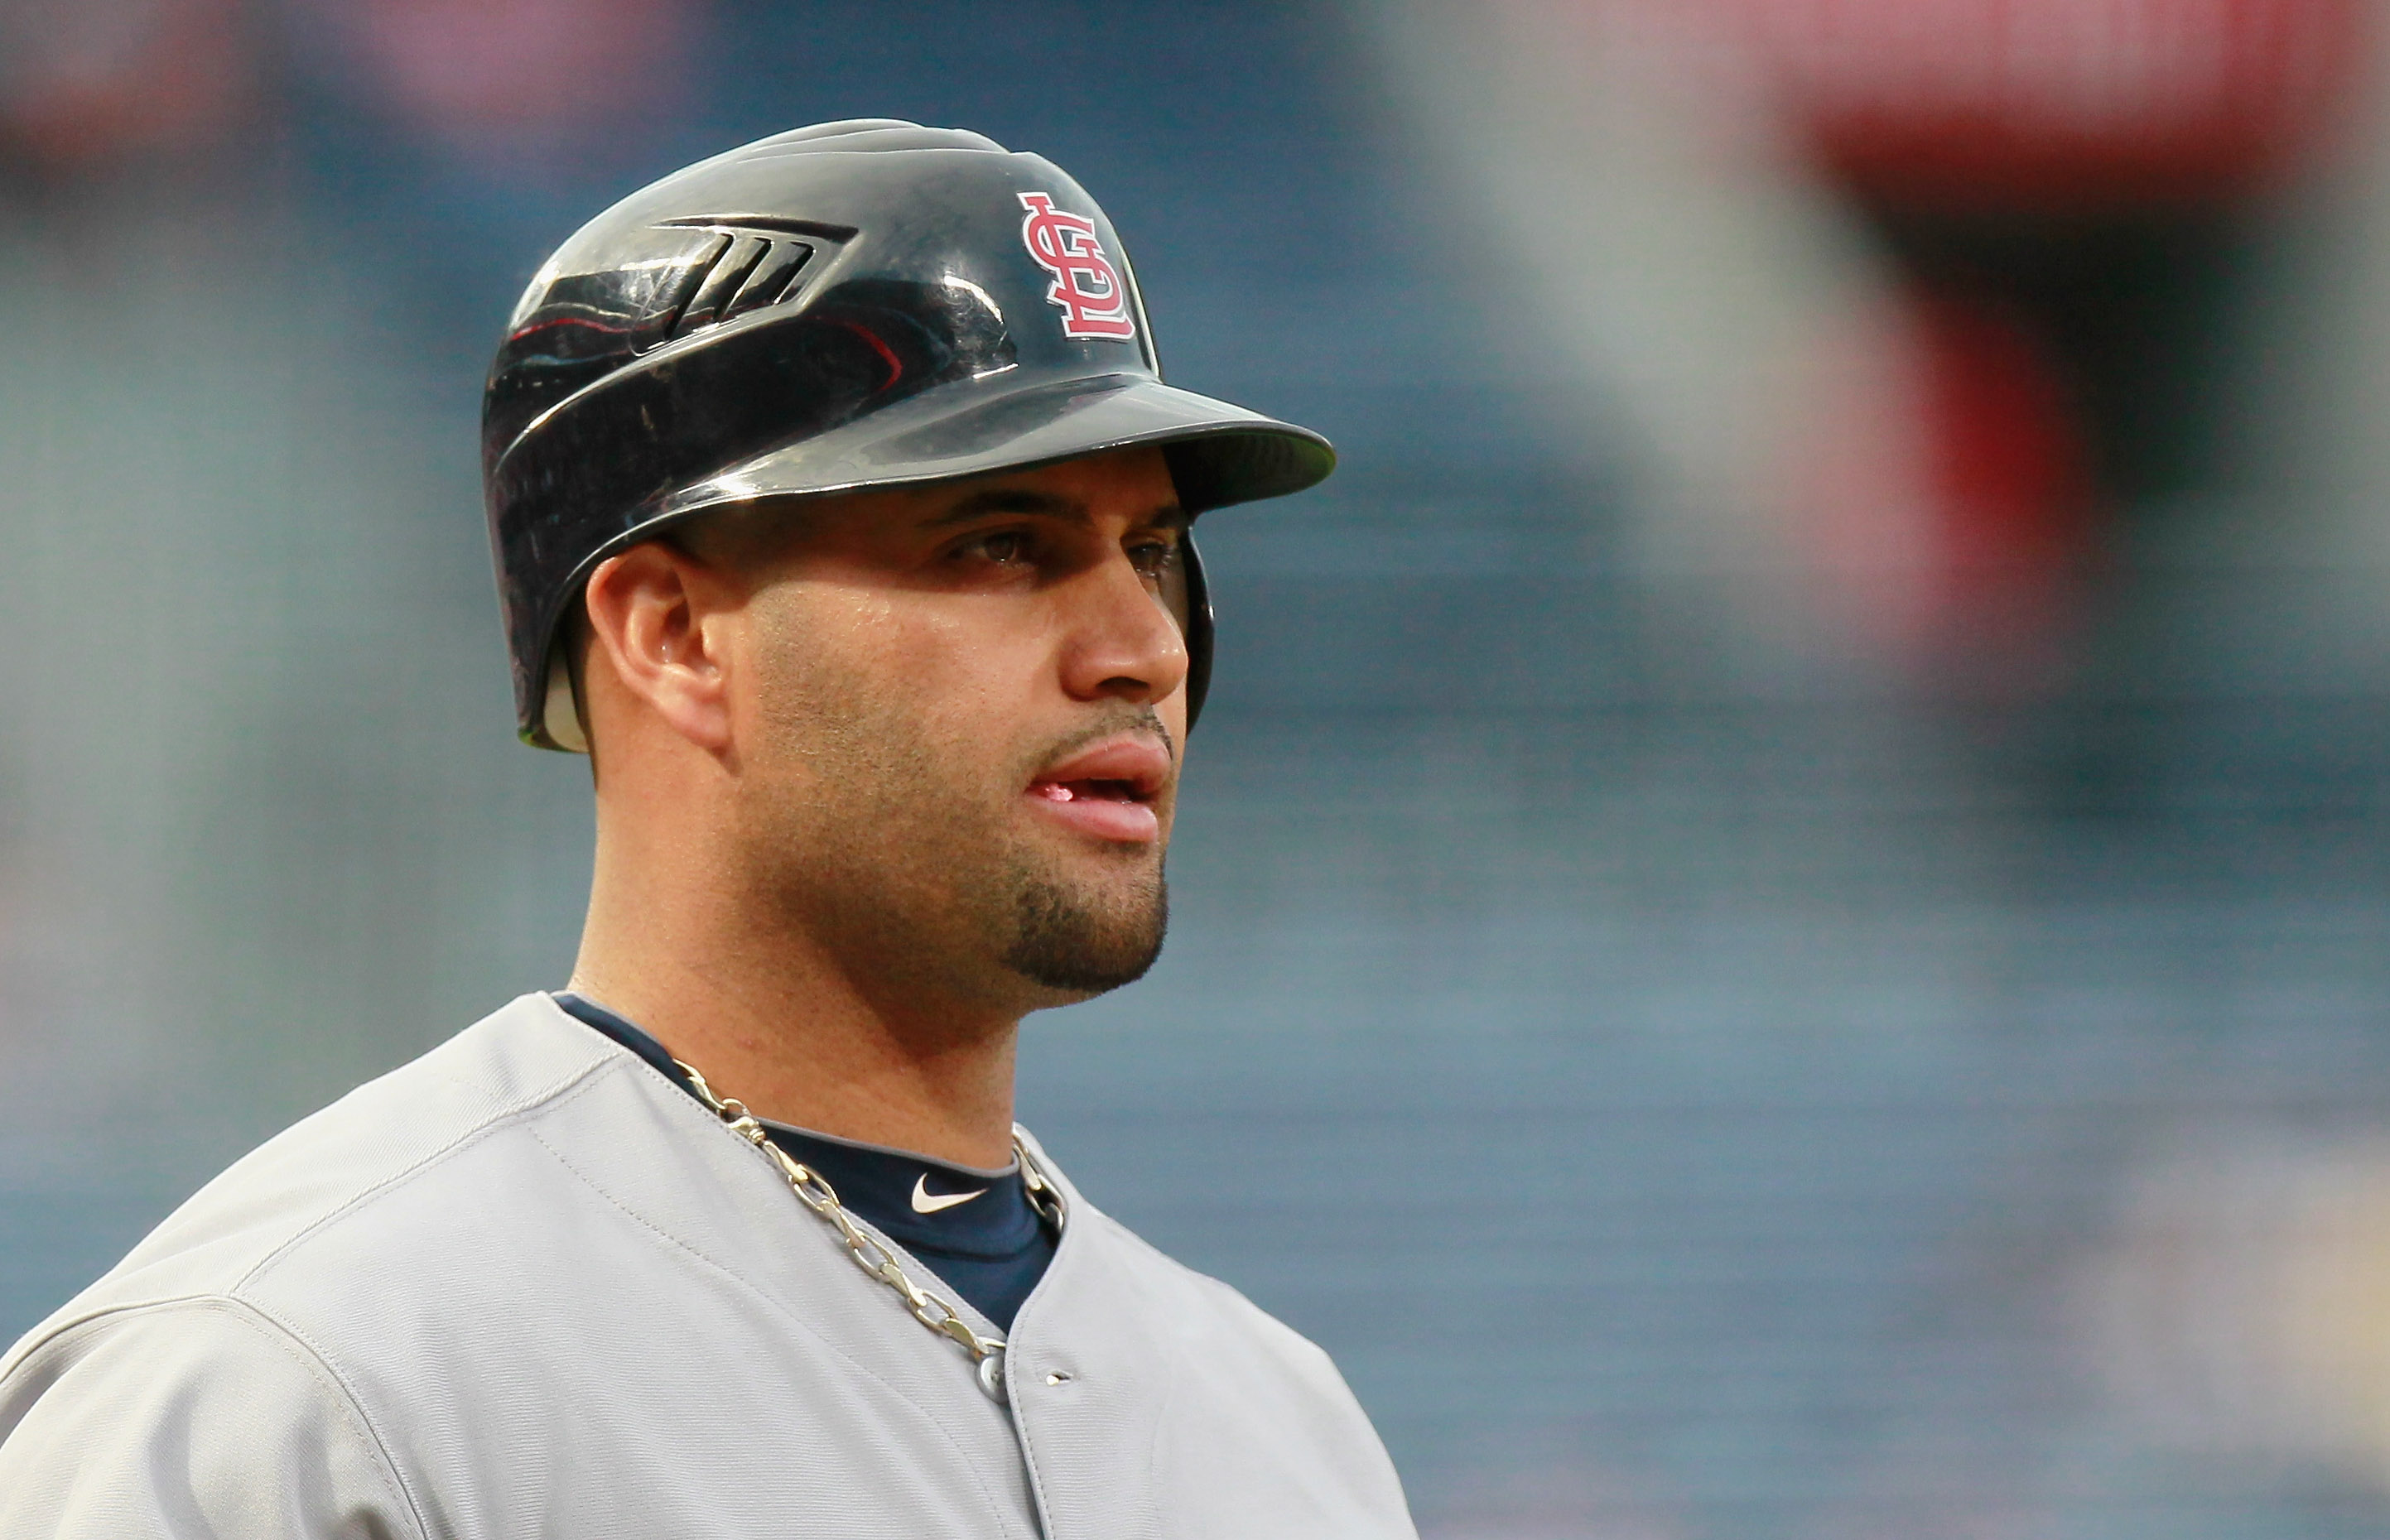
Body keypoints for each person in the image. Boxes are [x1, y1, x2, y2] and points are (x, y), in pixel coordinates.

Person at [0, 121, 1417, 1537]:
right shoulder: (300, 1386)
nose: (1139, 648)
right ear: (673, 635)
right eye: (999, 542)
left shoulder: (1282, 1432)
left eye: (1153, 553)